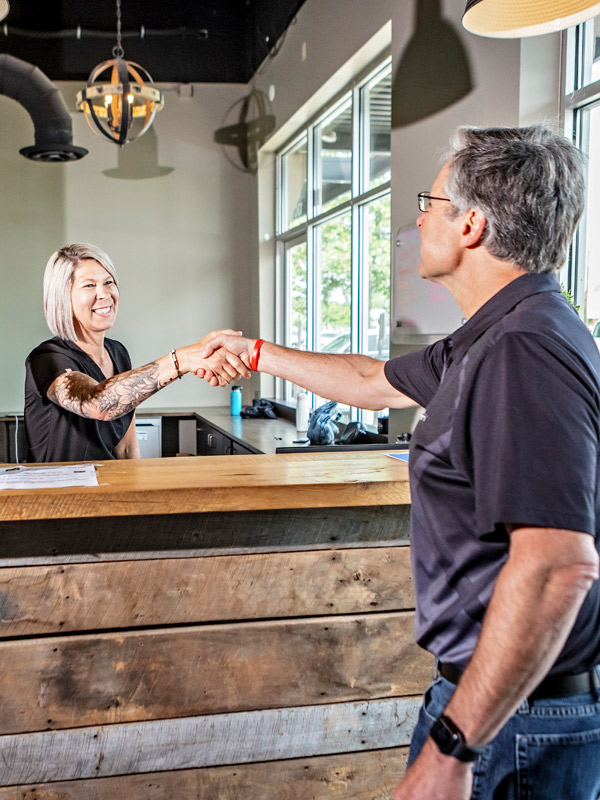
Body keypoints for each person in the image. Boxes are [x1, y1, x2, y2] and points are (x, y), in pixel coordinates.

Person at [200, 126, 600, 799]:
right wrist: (255, 352)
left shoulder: (521, 350)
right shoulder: (495, 334)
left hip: (511, 728)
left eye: (431, 201)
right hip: (496, 711)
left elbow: (560, 563)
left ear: (471, 225)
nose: (418, 217)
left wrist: (453, 748)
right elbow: (367, 379)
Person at [25, 243, 250, 462]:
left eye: (108, 282)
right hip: (59, 496)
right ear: (63, 297)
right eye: (89, 285)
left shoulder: (117, 353)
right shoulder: (47, 359)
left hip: (107, 491)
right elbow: (98, 404)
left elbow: (126, 447)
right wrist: (183, 359)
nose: (104, 294)